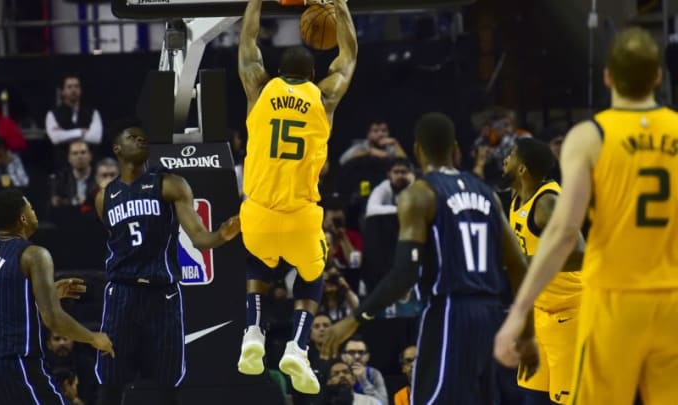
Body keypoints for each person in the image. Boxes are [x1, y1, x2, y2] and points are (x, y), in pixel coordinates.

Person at [494, 27, 678, 405]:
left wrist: (519, 311)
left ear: (609, 76)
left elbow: (563, 236)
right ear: (657, 77)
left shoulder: (589, 137)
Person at [321, 112, 537, 404]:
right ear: (457, 151)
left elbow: (404, 274)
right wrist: (528, 331)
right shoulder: (488, 194)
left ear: (418, 150)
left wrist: (355, 319)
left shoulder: (420, 194)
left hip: (450, 310)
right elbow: (519, 266)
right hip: (492, 314)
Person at [236, 0, 358, 396]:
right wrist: (338, 6)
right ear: (312, 74)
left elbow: (248, 40)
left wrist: (255, 1)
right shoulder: (324, 98)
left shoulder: (258, 87)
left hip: (257, 212)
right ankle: (297, 345)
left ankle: (252, 332)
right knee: (311, 276)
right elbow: (348, 55)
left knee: (258, 261)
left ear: (279, 72)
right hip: (302, 216)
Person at [93, 127, 241, 405]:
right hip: (121, 293)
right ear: (116, 149)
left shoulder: (170, 184)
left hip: (163, 294)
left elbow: (199, 238)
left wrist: (221, 234)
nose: (140, 138)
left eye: (143, 136)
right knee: (111, 382)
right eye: (131, 136)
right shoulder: (105, 197)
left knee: (167, 384)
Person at [0, 188, 113, 404]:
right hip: (14, 362)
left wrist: (46, 292)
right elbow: (53, 319)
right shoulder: (34, 254)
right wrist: (94, 338)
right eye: (31, 208)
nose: (35, 213)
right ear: (23, 218)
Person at [503, 137, 584, 405]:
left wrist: (521, 262)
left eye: (511, 155)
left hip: (570, 314)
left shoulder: (548, 202)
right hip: (539, 315)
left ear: (523, 168)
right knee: (533, 397)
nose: (505, 160)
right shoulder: (516, 198)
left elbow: (579, 255)